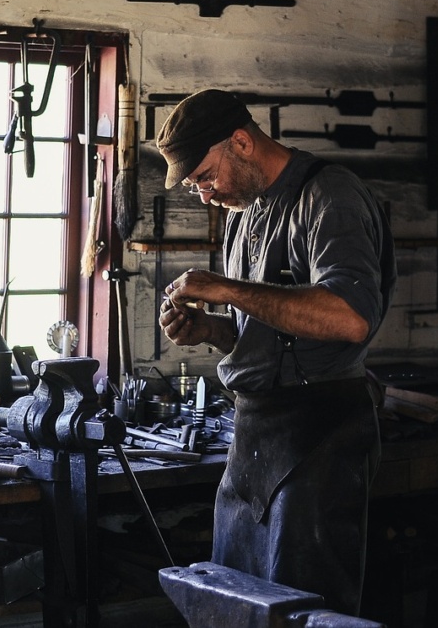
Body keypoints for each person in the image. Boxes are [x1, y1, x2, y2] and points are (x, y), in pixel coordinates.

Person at [156, 89, 396, 616]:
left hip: (320, 435)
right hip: (256, 437)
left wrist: (229, 289)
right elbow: (266, 332)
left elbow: (349, 317)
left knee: (301, 611)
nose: (202, 195)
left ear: (241, 142)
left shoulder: (328, 195)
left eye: (204, 176)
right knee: (236, 605)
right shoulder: (245, 215)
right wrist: (210, 329)